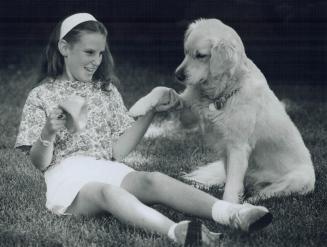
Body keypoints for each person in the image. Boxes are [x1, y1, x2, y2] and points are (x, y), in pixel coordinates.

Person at [15, 13, 272, 246]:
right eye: (89, 52)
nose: (96, 61)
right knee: (107, 191)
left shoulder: (105, 91)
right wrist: (48, 132)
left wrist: (151, 106)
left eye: (101, 53)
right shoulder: (41, 95)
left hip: (107, 167)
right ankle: (176, 231)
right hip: (68, 180)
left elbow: (118, 150)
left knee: (153, 179)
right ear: (64, 48)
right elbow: (40, 163)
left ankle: (232, 213)